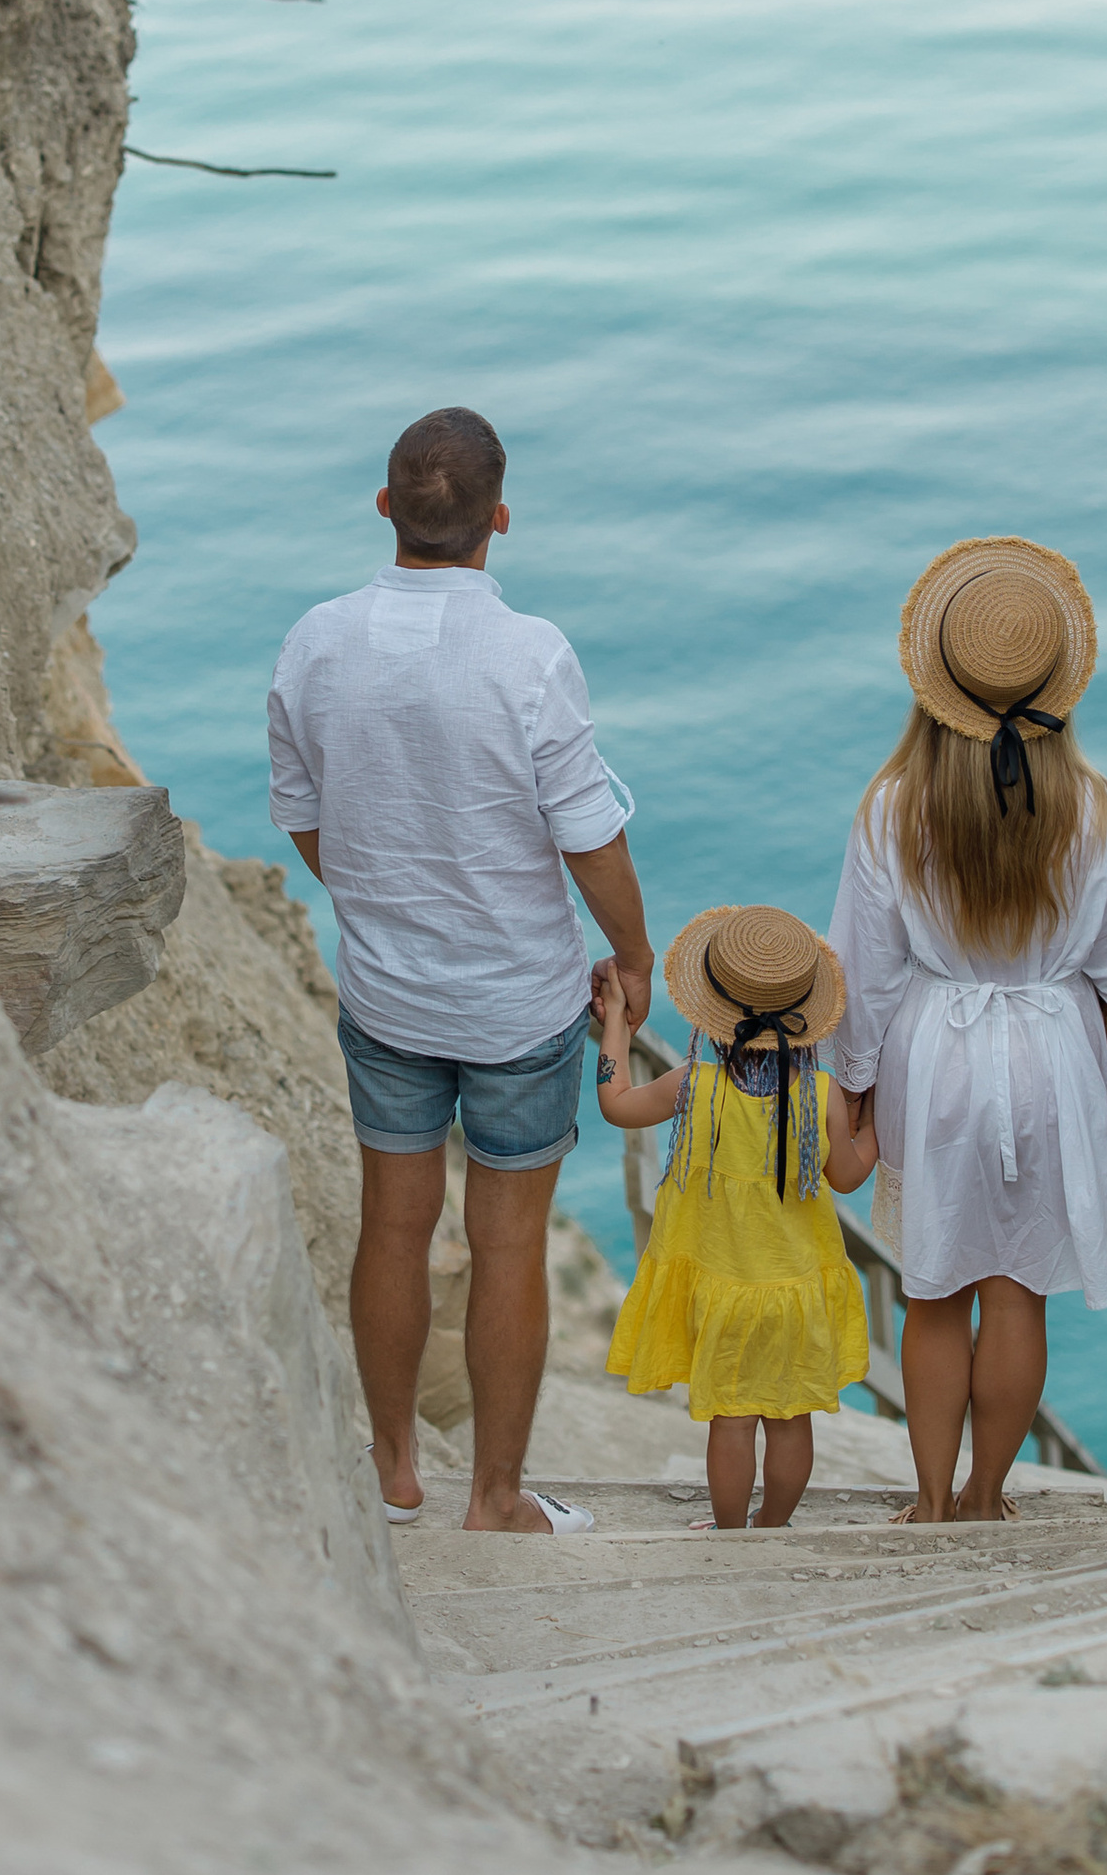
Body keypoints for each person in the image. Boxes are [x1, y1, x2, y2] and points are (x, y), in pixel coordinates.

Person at [268, 407, 654, 1536]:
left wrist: (380, 897)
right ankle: (494, 1496)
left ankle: (392, 1472)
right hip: (516, 1004)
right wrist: (631, 955)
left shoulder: (315, 641)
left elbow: (304, 814)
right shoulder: (529, 654)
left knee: (391, 1225)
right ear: (498, 520)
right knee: (506, 1243)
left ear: (386, 508)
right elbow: (590, 835)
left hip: (387, 991)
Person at [825, 535, 1107, 1524]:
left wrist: (851, 1083)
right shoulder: (1102, 811)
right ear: (1058, 681)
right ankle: (987, 1497)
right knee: (1017, 1291)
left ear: (937, 684)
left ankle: (930, 1502)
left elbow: (868, 969)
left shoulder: (894, 810)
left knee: (933, 1293)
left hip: (934, 1055)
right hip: (1051, 1060)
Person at [597, 905, 875, 1529]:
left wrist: (616, 1019)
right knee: (789, 1416)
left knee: (731, 1418)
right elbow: (849, 1175)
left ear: (713, 1010)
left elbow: (615, 1104)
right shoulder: (821, 1092)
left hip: (723, 1287)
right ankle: (772, 1527)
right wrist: (878, 1122)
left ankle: (729, 1534)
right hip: (797, 1286)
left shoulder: (692, 1085)